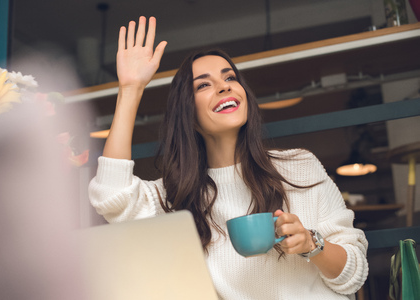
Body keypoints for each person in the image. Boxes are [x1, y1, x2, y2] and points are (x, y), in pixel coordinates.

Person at [89, 16, 368, 299]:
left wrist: (311, 244)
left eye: (230, 77)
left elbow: (353, 276)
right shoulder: (174, 197)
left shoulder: (299, 165)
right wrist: (130, 88)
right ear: (189, 115)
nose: (224, 86)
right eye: (203, 85)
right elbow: (112, 195)